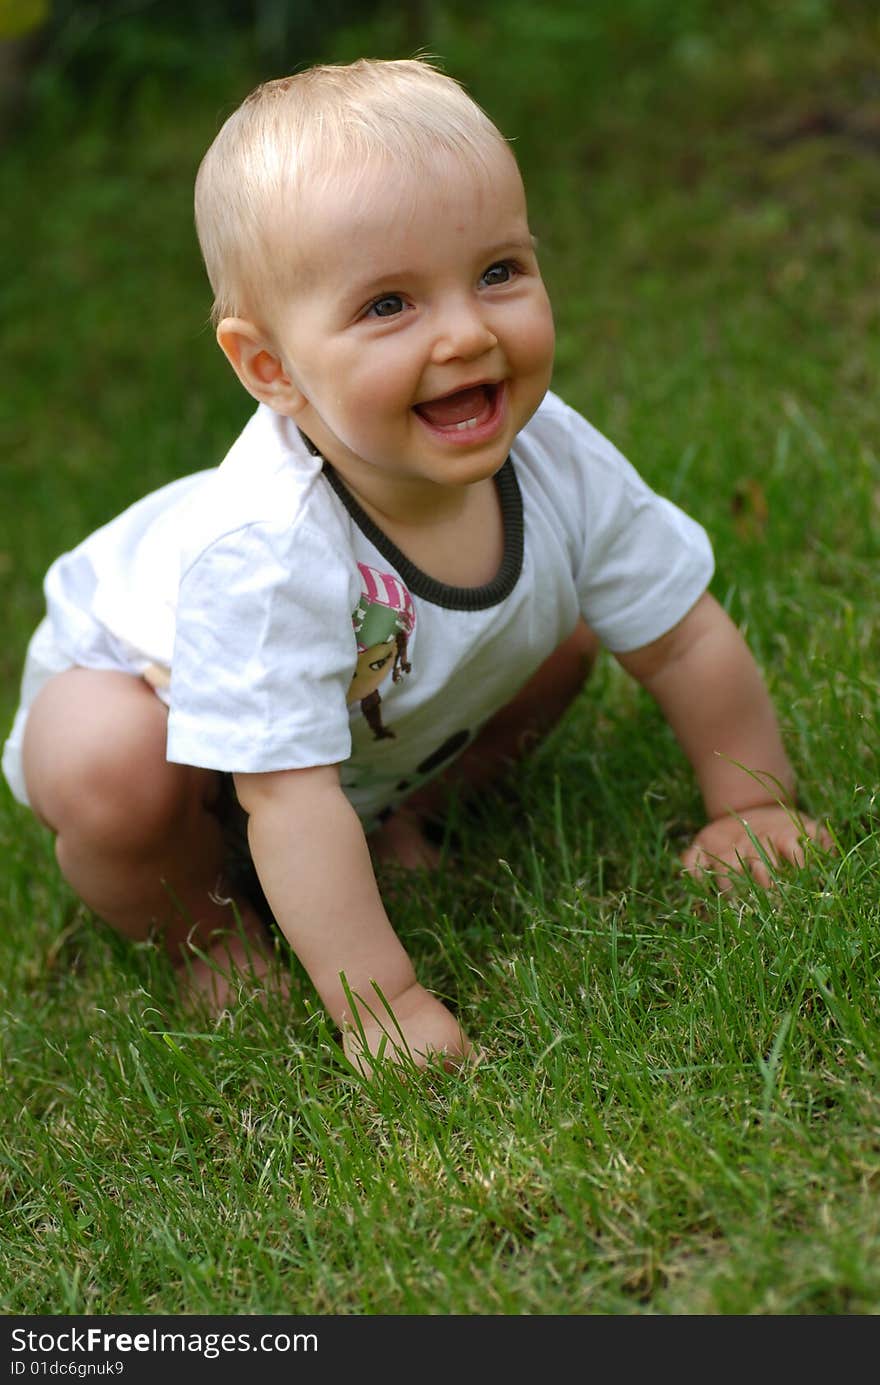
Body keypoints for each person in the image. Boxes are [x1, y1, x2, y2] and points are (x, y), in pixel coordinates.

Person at [2, 57, 829, 1074]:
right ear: (270, 369)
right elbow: (283, 793)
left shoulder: (555, 453)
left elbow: (682, 631)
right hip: (179, 724)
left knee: (566, 628)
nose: (466, 332)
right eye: (389, 304)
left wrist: (752, 803)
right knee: (105, 763)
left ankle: (402, 816)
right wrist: (381, 1003)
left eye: (497, 272)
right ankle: (209, 933)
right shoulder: (268, 550)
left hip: (363, 712)